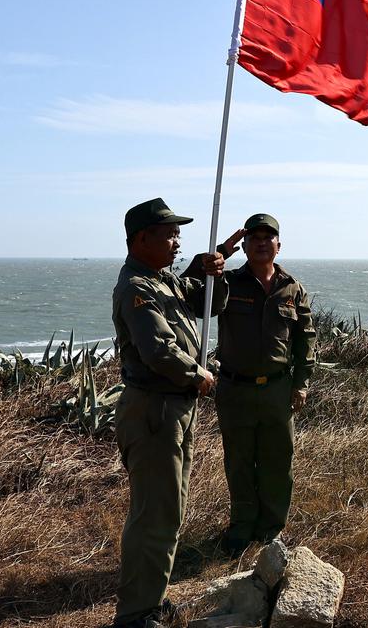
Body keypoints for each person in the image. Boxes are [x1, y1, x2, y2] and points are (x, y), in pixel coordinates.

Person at [111, 198, 242, 628]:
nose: (177, 239)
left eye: (178, 233)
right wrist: (198, 375)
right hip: (153, 410)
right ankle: (135, 615)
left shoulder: (161, 279)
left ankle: (153, 598)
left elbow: (208, 303)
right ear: (141, 239)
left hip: (173, 411)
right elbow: (158, 350)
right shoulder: (136, 287)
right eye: (169, 233)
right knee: (154, 513)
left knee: (171, 508)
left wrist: (215, 265)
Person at [213, 212, 316, 557]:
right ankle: (242, 526)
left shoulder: (292, 289)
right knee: (239, 462)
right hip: (236, 389)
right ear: (243, 245)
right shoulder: (225, 282)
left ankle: (271, 528)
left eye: (267, 237)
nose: (261, 243)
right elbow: (196, 299)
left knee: (277, 462)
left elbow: (306, 340)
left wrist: (301, 384)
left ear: (278, 245)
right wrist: (217, 255)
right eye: (254, 237)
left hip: (277, 390)